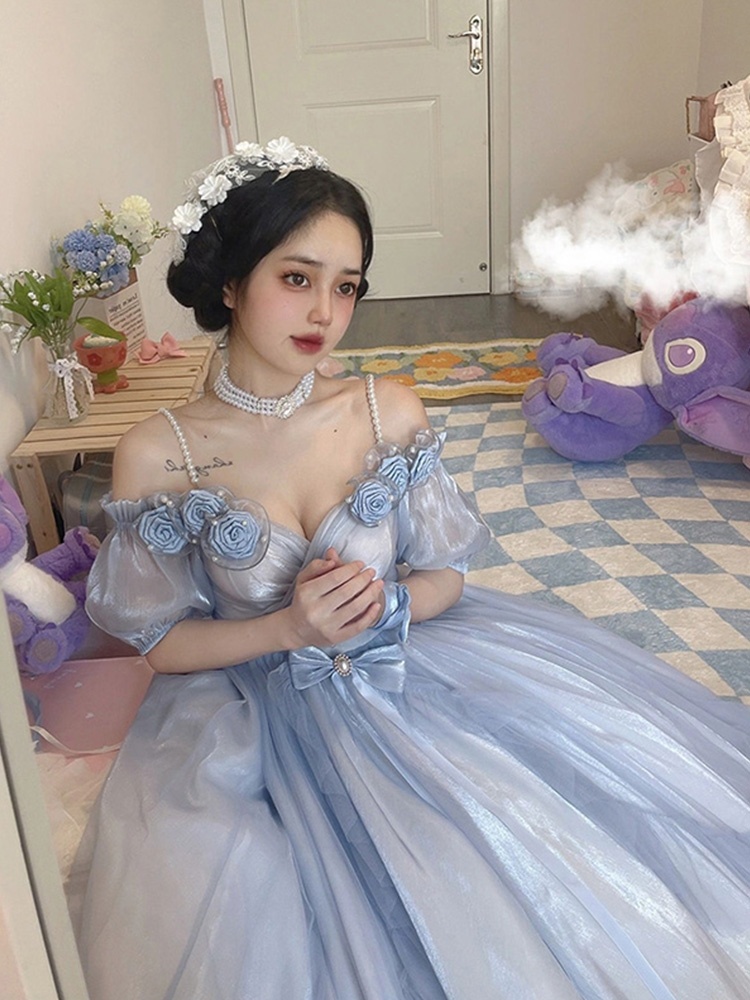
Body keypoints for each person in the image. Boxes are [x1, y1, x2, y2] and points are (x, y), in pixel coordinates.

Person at [72, 137, 750, 1000]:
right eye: (297, 278)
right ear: (231, 281)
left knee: (541, 839)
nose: (325, 312)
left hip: (414, 668)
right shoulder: (157, 452)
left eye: (346, 286)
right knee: (240, 890)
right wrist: (287, 627)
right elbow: (159, 644)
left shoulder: (385, 408)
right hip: (253, 709)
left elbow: (445, 575)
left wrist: (389, 601)